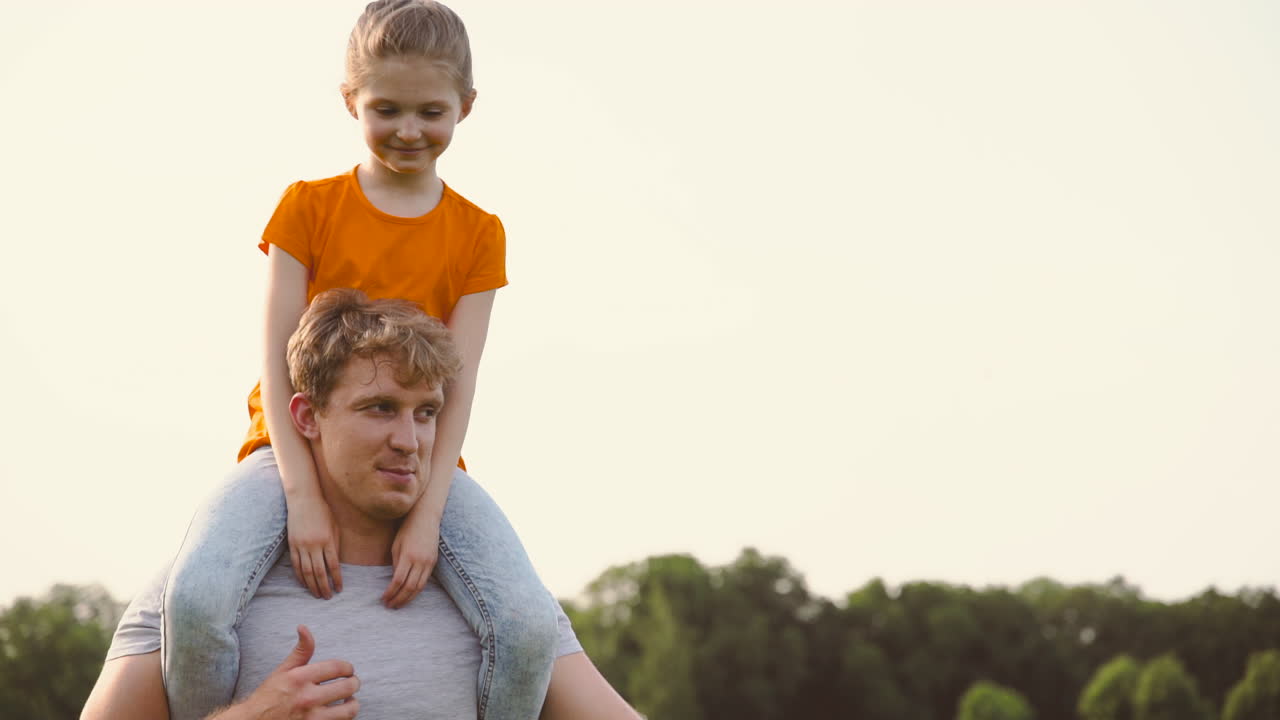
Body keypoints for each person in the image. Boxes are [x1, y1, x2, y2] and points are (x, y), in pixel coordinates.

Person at [159, 2, 568, 718]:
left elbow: (458, 392)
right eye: (386, 108)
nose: (409, 130)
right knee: (195, 598)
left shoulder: (479, 234)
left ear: (466, 107)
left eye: (431, 111)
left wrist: (428, 514)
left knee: (530, 627)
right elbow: (276, 363)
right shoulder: (307, 208)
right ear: (350, 100)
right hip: (287, 448)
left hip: (419, 462)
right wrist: (303, 496)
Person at [81, 289, 640, 720]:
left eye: (426, 413)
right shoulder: (204, 582)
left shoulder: (498, 593)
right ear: (305, 417)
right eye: (379, 408)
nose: (410, 439)